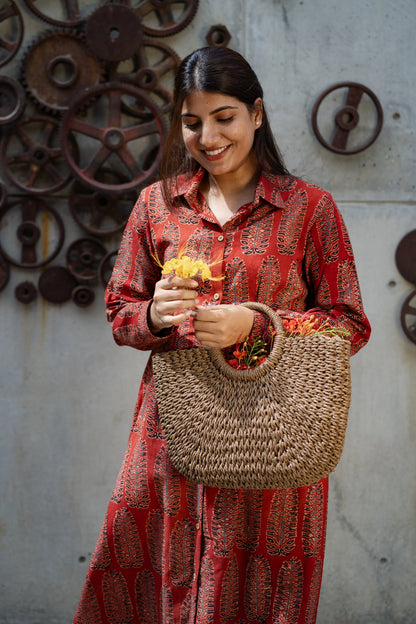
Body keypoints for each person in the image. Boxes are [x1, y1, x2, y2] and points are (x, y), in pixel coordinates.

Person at [74, 46, 371, 624]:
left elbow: (350, 322)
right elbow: (120, 312)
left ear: (256, 114)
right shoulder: (156, 206)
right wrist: (156, 314)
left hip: (273, 442)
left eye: (224, 117)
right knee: (151, 592)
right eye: (191, 122)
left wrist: (256, 326)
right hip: (168, 438)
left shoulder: (310, 209)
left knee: (254, 597)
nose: (207, 136)